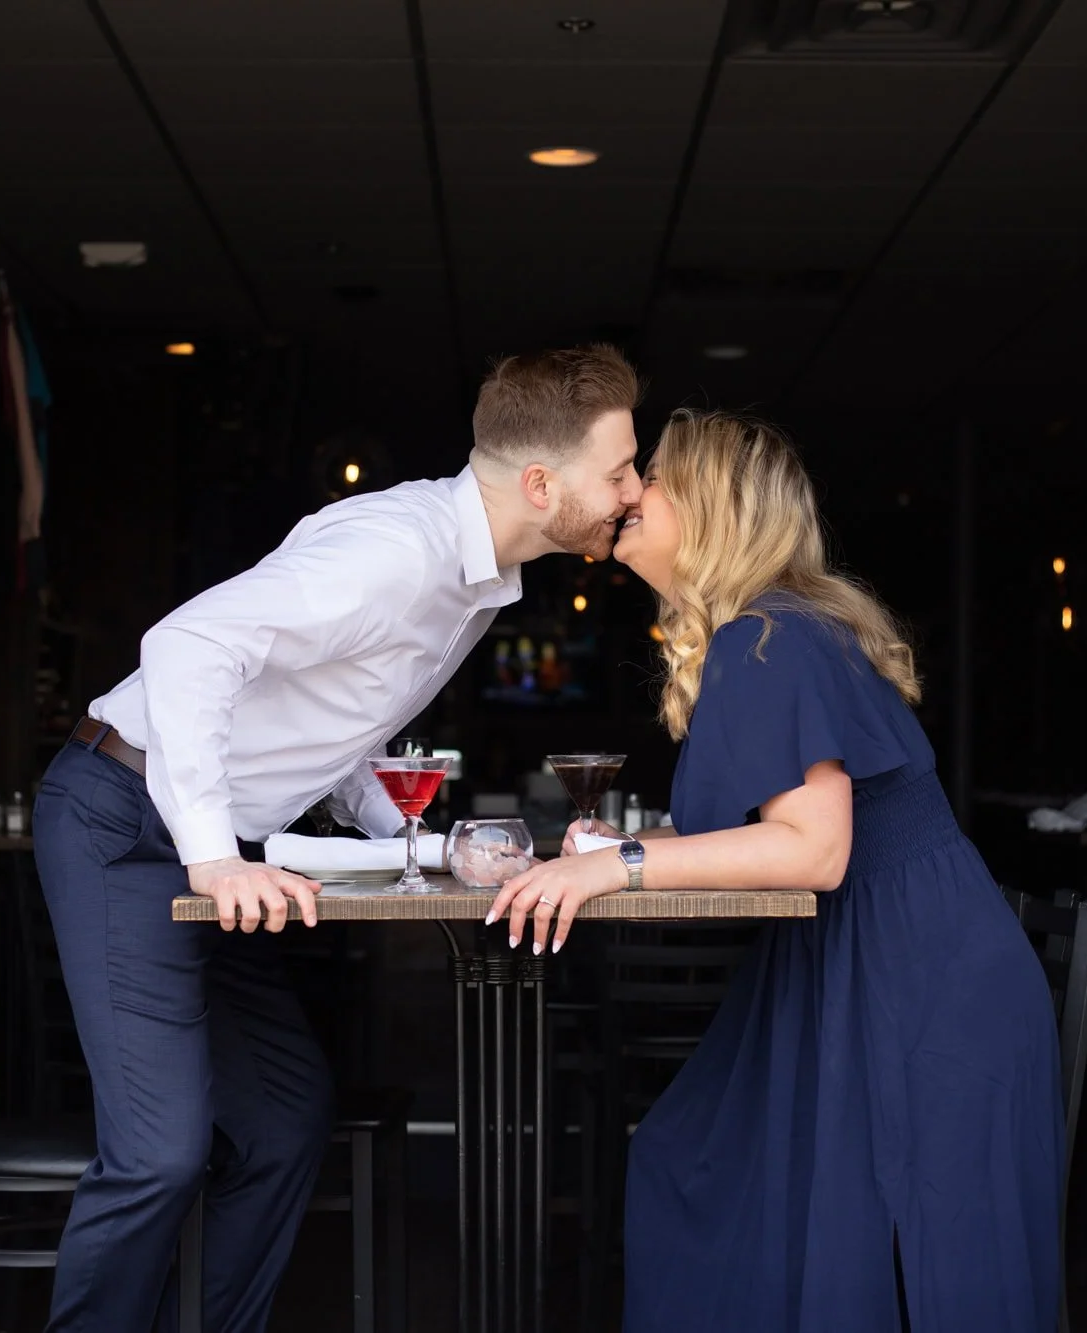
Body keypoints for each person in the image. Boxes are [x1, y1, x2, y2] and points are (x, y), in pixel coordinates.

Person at [32, 347, 645, 1333]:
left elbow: (328, 711)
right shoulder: (395, 553)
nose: (633, 489)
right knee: (159, 1151)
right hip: (126, 819)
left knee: (280, 1118)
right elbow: (186, 647)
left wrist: (415, 837)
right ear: (541, 483)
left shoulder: (472, 573)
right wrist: (213, 856)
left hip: (201, 839)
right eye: (618, 469)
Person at [490, 408, 1063, 1331]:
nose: (631, 492)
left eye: (657, 476)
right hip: (873, 968)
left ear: (713, 507)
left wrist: (616, 866)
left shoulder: (774, 636)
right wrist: (631, 856)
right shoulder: (769, 632)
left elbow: (816, 850)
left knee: (881, 1244)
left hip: (917, 993)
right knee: (694, 1154)